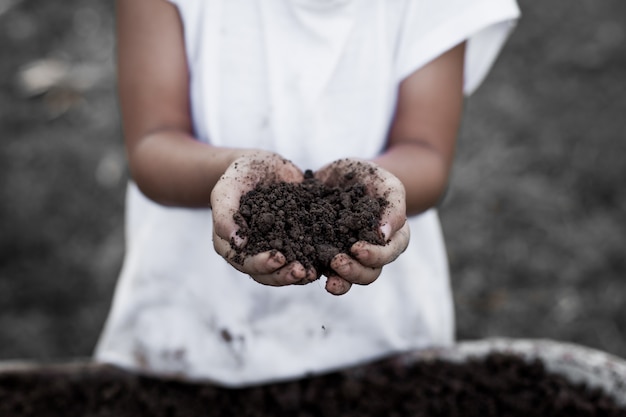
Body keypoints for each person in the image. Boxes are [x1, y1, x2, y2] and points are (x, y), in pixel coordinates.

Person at [96, 0, 520, 386]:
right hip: (190, 328)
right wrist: (229, 172)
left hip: (379, 335)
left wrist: (377, 195)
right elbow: (153, 145)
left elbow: (427, 154)